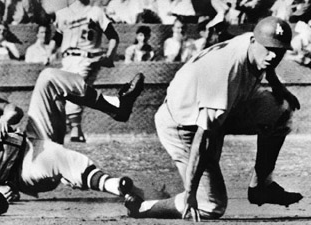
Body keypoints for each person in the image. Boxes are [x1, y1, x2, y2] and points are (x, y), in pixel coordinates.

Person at [124, 16, 303, 221]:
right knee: (211, 206)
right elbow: (204, 138)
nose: (272, 55)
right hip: (183, 125)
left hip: (219, 108)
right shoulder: (225, 71)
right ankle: (142, 206)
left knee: (281, 111)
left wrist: (278, 86)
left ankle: (262, 186)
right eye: (268, 48)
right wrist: (191, 193)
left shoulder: (255, 42)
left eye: (279, 51)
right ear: (254, 42)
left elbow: (268, 58)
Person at [0, 69, 145, 215]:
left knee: (48, 77)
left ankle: (116, 105)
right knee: (57, 157)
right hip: (21, 172)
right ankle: (116, 186)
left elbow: (13, 109)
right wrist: (0, 192)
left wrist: (5, 118)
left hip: (32, 137)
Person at [49, 0, 119, 142]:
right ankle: (72, 129)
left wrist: (109, 56)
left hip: (86, 58)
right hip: (67, 59)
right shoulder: (62, 13)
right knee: (57, 92)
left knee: (73, 89)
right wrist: (49, 52)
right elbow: (57, 37)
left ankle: (75, 129)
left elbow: (113, 36)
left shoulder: (96, 12)